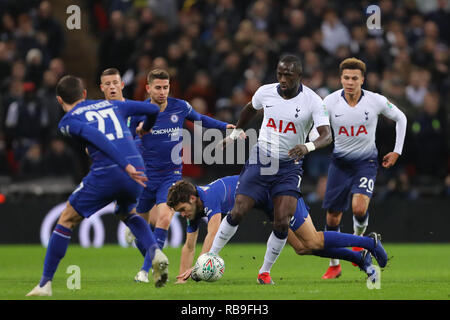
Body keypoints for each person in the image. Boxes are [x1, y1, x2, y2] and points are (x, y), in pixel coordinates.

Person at [26, 75, 169, 296]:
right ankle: (155, 252)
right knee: (126, 212)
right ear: (84, 94)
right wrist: (146, 129)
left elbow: (94, 134)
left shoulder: (67, 121)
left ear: (59, 100)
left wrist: (123, 164)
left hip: (111, 170)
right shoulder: (111, 104)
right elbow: (152, 110)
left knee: (66, 218)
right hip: (139, 169)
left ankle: (45, 284)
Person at [210, 54, 333, 285]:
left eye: (288, 74)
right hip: (262, 159)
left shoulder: (314, 101)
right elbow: (249, 108)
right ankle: (211, 257)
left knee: (282, 221)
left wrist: (307, 146)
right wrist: (237, 130)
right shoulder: (265, 91)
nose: (283, 79)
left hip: (289, 166)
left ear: (299, 76)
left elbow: (327, 135)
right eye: (279, 73)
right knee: (238, 210)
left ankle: (264, 271)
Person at [166, 175, 388, 284]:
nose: (183, 214)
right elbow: (188, 245)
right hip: (265, 203)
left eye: (183, 209)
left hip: (278, 195)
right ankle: (360, 260)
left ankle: (369, 244)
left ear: (193, 199)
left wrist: (200, 267)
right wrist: (182, 278)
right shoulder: (194, 209)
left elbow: (214, 233)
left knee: (312, 241)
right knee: (302, 248)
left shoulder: (210, 198)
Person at [126, 69, 235, 283]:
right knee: (139, 230)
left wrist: (224, 127)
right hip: (145, 177)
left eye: (165, 87)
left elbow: (200, 118)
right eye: (158, 87)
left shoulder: (180, 106)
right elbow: (126, 142)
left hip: (170, 176)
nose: (162, 91)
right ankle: (153, 258)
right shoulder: (138, 113)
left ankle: (145, 271)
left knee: (165, 217)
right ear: (148, 88)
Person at [319, 57, 407, 279]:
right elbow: (315, 126)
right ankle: (334, 264)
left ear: (362, 80)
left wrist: (397, 151)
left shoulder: (375, 101)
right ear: (341, 79)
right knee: (332, 217)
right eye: (346, 78)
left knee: (359, 208)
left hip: (365, 163)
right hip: (339, 163)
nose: (350, 82)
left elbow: (401, 118)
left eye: (354, 78)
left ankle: (358, 244)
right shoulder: (329, 102)